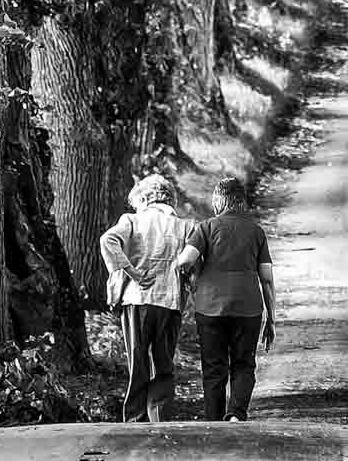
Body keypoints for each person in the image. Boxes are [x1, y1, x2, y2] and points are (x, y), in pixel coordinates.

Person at [174, 176, 276, 422]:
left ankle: (213, 419)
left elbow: (184, 260)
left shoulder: (206, 228)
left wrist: (192, 276)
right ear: (241, 203)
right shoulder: (256, 232)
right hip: (248, 308)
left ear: (217, 201)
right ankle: (236, 414)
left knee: (213, 366)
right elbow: (267, 279)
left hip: (210, 308)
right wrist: (271, 319)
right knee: (243, 363)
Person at [99, 173, 195, 423]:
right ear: (169, 198)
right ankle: (160, 417)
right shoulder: (185, 226)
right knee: (163, 363)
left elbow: (107, 240)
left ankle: (134, 420)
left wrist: (132, 272)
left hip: (137, 300)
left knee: (138, 360)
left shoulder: (132, 220)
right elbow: (192, 264)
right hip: (169, 302)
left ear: (144, 198)